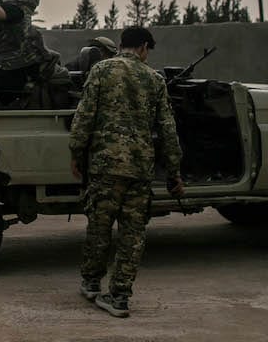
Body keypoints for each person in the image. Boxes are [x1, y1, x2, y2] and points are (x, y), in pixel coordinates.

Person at [68, 26, 184, 318]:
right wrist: (174, 172)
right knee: (133, 234)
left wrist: (76, 153)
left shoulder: (102, 71)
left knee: (99, 227)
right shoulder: (155, 79)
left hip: (105, 166)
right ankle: (119, 297)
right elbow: (168, 130)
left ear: (121, 45)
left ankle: (92, 283)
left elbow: (84, 116)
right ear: (143, 47)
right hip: (139, 168)